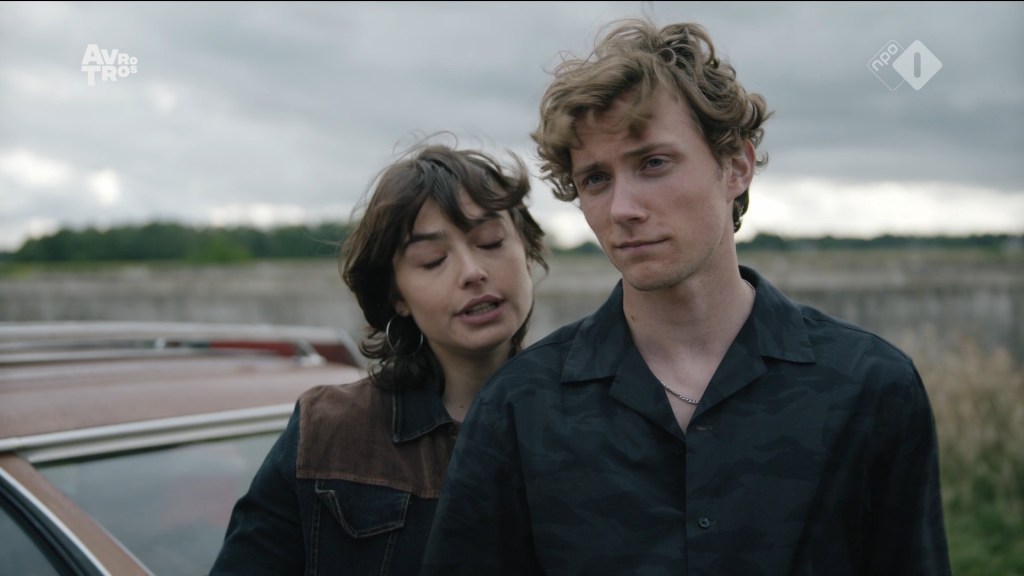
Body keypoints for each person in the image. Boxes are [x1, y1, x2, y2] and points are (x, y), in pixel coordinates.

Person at [421, 19, 952, 576]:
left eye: (653, 163)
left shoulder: (869, 387)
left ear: (736, 166)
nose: (623, 208)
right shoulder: (519, 408)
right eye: (596, 179)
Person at [209, 140, 547, 575]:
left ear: (528, 252)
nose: (472, 272)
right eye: (432, 260)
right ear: (396, 295)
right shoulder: (327, 429)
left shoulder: (588, 416)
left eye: (490, 241)